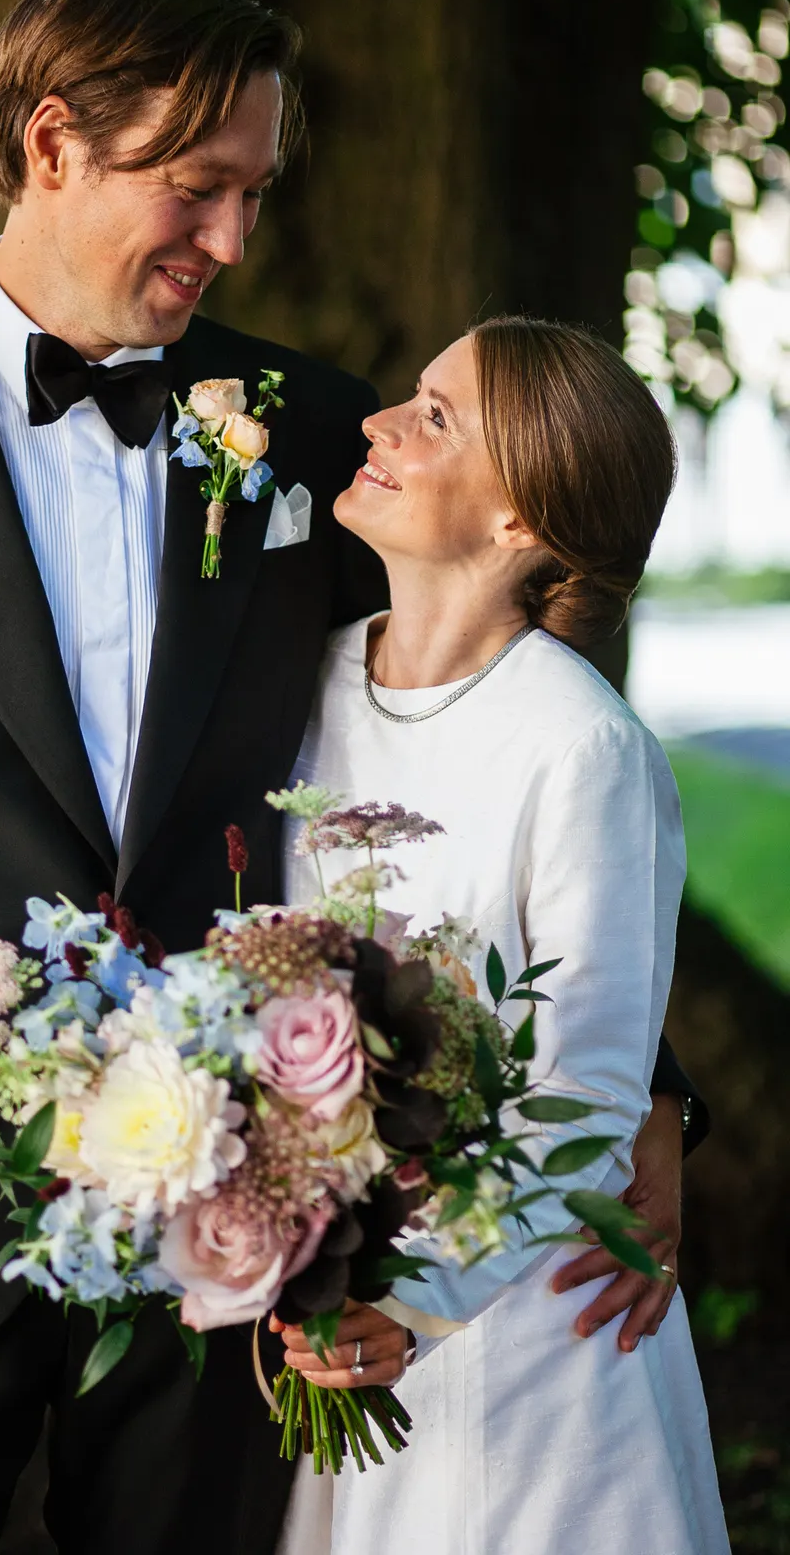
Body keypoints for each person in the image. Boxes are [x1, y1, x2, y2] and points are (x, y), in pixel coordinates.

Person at [0, 0, 701, 1555]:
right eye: (196, 187)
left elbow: (464, 732)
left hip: (235, 1235)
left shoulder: (306, 428)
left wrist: (646, 1096)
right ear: (55, 143)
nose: (230, 239)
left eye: (255, 194)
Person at [275, 318, 728, 1554]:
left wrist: (409, 1303)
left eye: (435, 416)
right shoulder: (295, 691)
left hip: (530, 1351)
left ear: (520, 518)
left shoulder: (583, 748)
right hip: (318, 1324)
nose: (378, 424)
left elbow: (585, 1082)